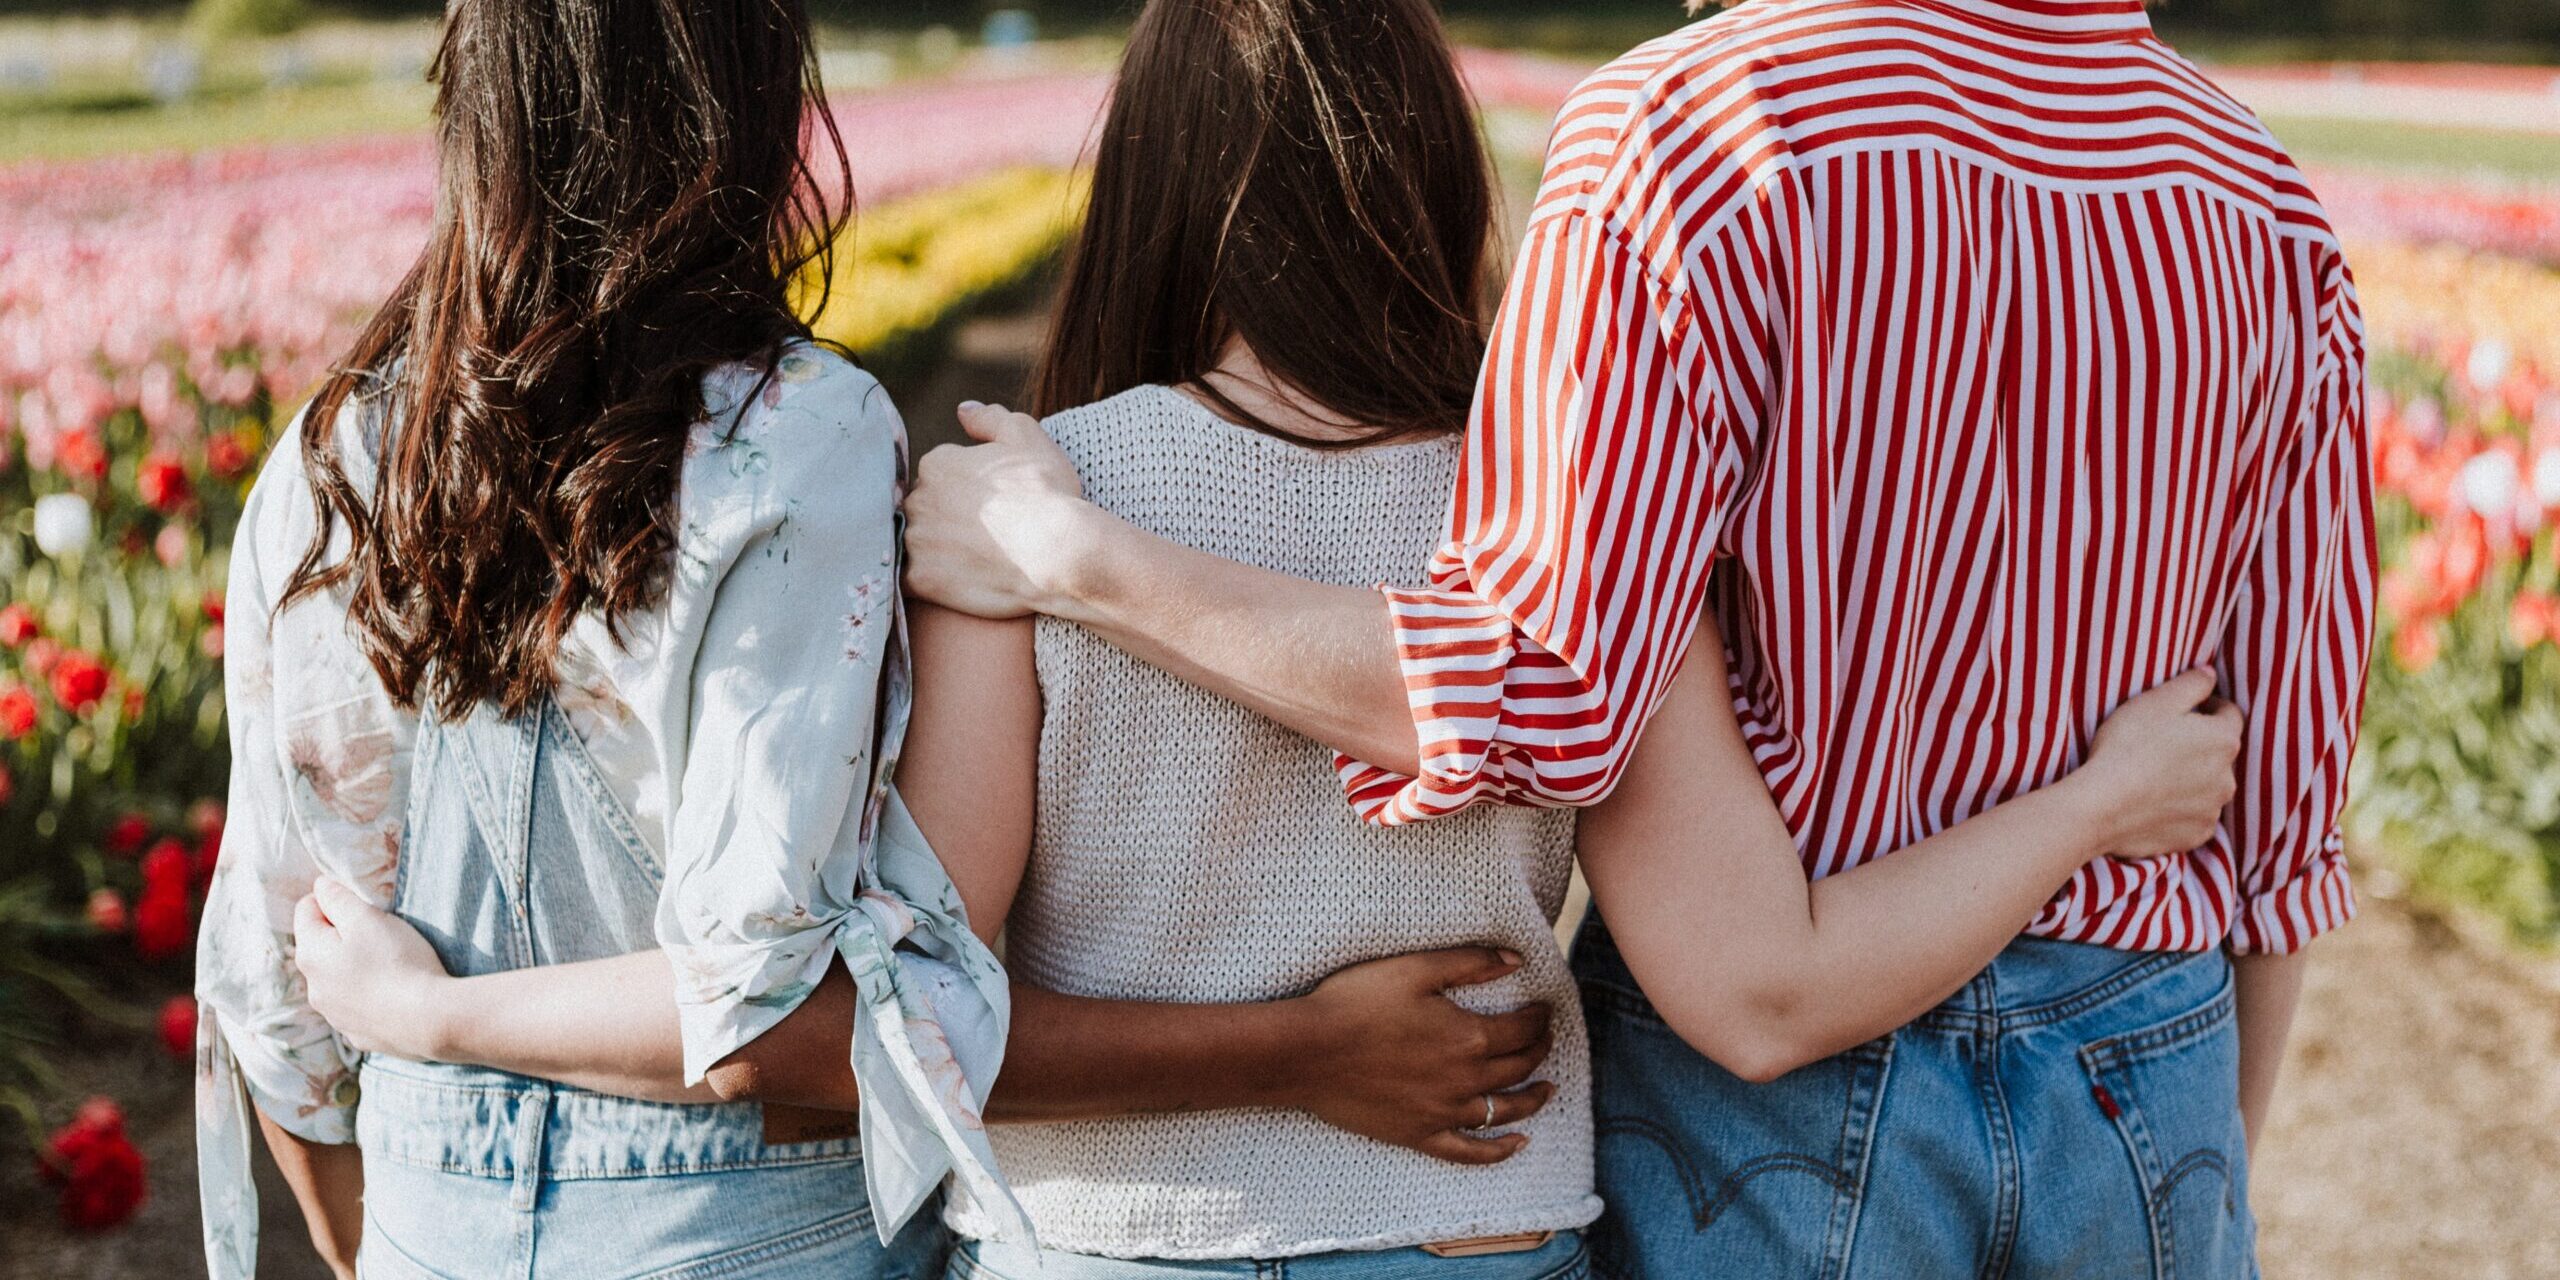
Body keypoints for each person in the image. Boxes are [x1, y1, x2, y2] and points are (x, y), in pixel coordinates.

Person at [898, 0, 2378, 1275]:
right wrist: (2193, 1152)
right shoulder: (2260, 192)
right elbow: (2288, 797)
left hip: (1796, 1110)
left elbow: (1546, 676)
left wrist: (1080, 561)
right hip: (2149, 1074)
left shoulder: (1694, 134)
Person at [192, 2, 997, 1276]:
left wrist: (391, 1220)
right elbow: (751, 993)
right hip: (738, 1229)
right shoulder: (795, 435)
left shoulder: (331, 454)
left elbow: (273, 977)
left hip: (421, 1212)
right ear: (737, 100)